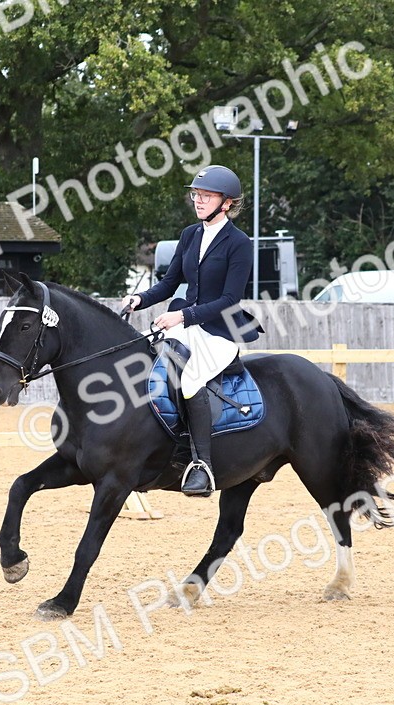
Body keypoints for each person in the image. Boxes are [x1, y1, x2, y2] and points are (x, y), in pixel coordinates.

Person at [121, 165, 261, 497]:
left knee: (190, 378)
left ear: (226, 203)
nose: (198, 201)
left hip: (219, 332)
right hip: (186, 321)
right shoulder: (190, 235)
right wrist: (140, 298)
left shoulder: (239, 243)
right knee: (149, 356)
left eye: (207, 196)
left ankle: (202, 465)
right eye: (196, 194)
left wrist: (182, 316)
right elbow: (169, 284)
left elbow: (229, 299)